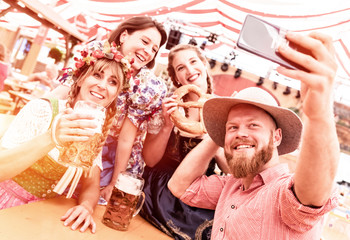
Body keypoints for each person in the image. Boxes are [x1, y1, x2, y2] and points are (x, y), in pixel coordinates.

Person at [168, 31, 340, 239]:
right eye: (232, 127)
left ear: (277, 137)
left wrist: (319, 113)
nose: (241, 133)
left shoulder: (283, 193)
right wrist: (217, 135)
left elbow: (313, 193)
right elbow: (179, 186)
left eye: (253, 125)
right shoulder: (231, 186)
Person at [0, 40, 132, 233]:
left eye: (113, 82)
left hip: (43, 218)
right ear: (79, 79)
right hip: (7, 208)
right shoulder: (44, 109)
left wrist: (86, 206)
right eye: (97, 75)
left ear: (115, 95)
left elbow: (91, 184)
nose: (103, 85)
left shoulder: (95, 128)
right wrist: (52, 137)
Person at [48, 16, 168, 203]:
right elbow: (64, 91)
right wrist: (38, 110)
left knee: (88, 204)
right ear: (124, 36)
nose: (148, 51)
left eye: (154, 49)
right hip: (77, 137)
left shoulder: (145, 86)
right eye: (145, 41)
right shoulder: (97, 55)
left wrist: (113, 184)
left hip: (115, 160)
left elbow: (126, 139)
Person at [140, 44, 230, 240]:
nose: (189, 70)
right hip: (162, 188)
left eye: (193, 62)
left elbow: (230, 168)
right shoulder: (170, 105)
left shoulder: (226, 111)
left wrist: (211, 141)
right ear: (176, 78)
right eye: (181, 68)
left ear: (204, 64)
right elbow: (151, 160)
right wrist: (166, 124)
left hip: (200, 190)